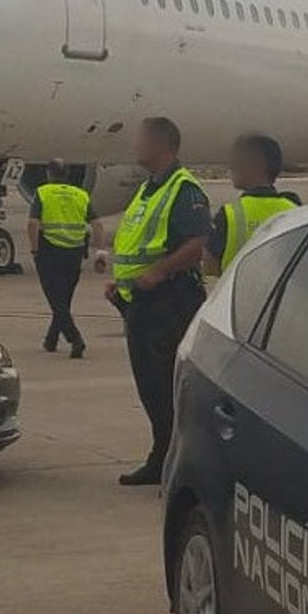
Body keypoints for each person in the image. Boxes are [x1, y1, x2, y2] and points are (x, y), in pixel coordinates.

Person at [108, 116, 211, 485]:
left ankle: (177, 462)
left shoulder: (184, 189)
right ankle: (163, 457)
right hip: (141, 302)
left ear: (161, 145)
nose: (134, 144)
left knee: (167, 386)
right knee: (151, 387)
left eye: (140, 139)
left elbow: (198, 243)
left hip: (170, 300)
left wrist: (160, 272)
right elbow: (139, 241)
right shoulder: (148, 189)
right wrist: (121, 284)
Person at [205, 133, 300, 275]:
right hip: (282, 288)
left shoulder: (229, 214)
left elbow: (209, 266)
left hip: (239, 288)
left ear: (256, 166)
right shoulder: (294, 210)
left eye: (238, 161)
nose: (231, 166)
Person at [28, 160, 96, 357]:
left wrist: (34, 249)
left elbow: (32, 224)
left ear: (49, 173)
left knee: (56, 300)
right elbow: (97, 223)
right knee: (63, 299)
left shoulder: (43, 192)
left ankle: (75, 339)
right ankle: (51, 339)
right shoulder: (80, 194)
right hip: (75, 252)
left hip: (50, 251)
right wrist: (100, 251)